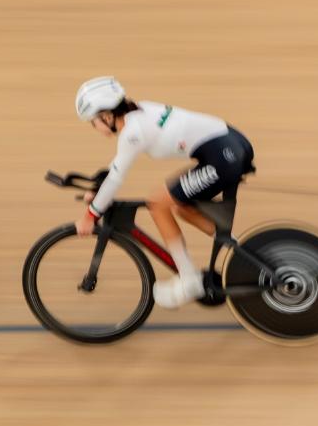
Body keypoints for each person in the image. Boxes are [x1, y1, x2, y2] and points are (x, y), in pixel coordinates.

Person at [73, 76, 254, 309]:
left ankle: (189, 281)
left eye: (92, 122)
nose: (94, 127)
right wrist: (99, 191)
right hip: (230, 146)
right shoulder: (140, 111)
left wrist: (91, 215)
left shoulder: (132, 132)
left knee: (157, 203)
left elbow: (117, 176)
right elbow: (116, 168)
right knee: (179, 205)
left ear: (106, 116)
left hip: (224, 158)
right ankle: (244, 253)